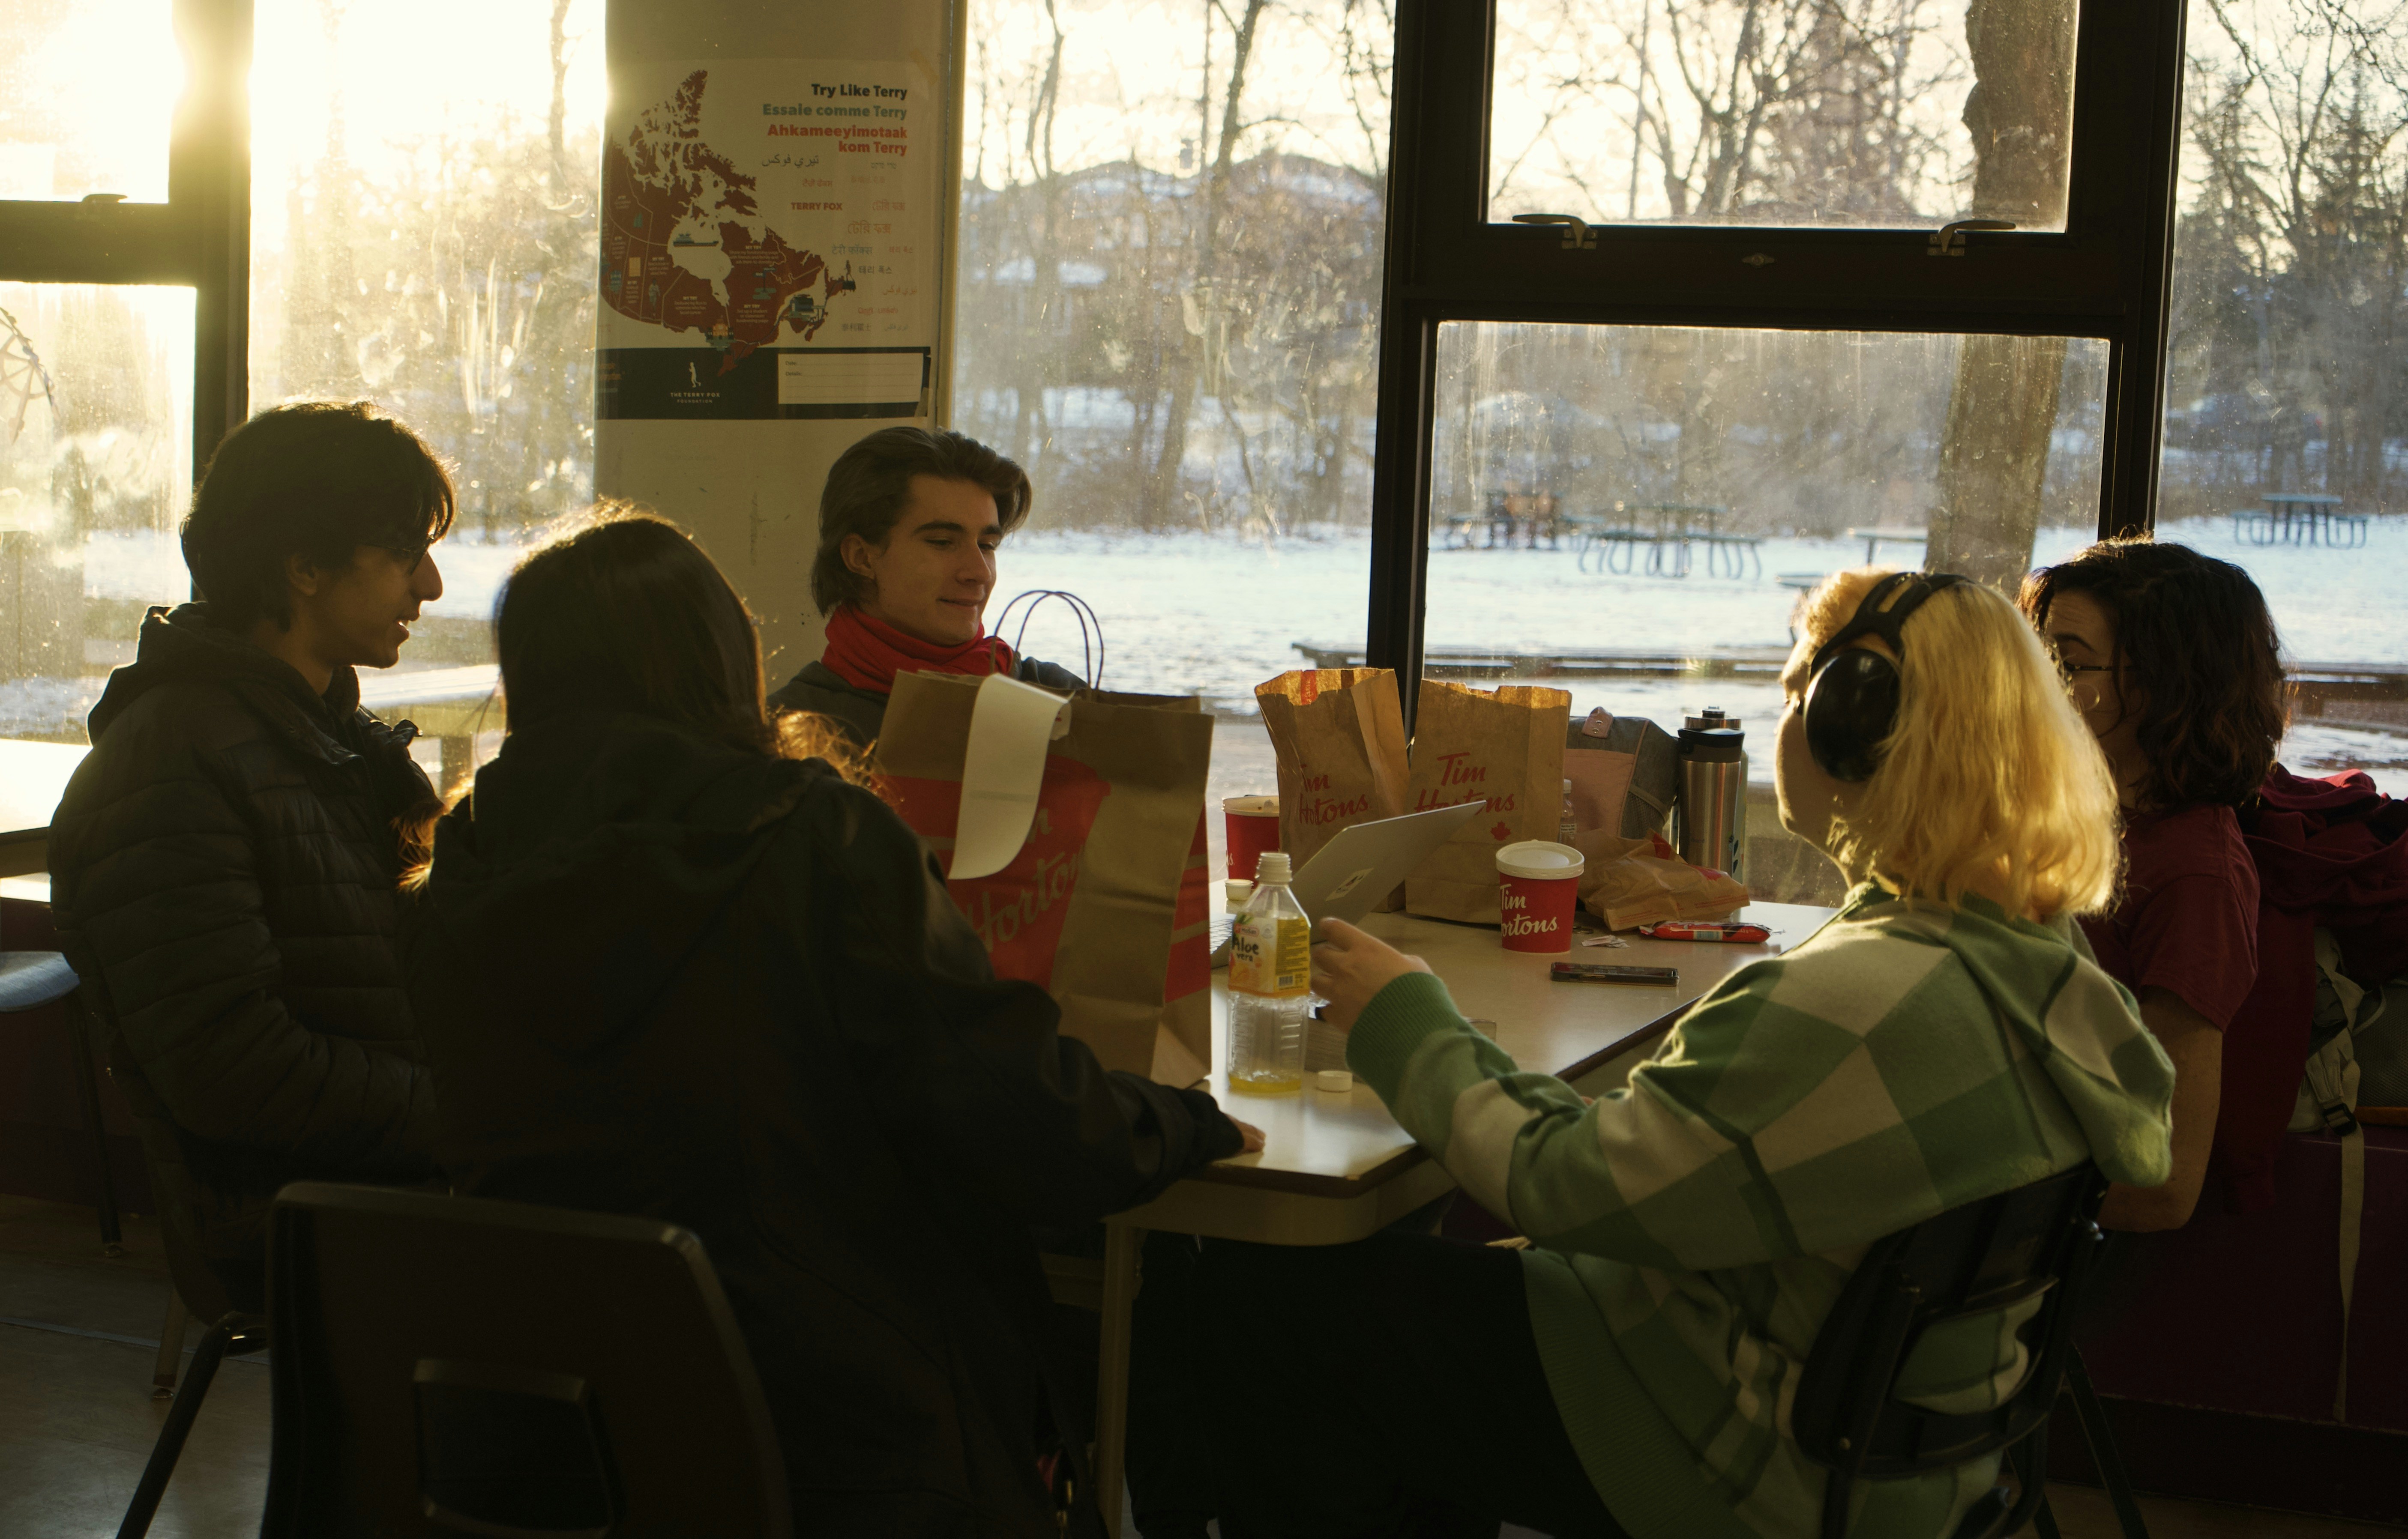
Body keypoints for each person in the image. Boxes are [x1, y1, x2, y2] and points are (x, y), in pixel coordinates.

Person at [1196, 569, 2175, 1539]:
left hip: (1738, 1447)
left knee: (1261, 1301)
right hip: (1902, 1461)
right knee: (1413, 1307)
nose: (1788, 716)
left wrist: (1401, 1016)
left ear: (1853, 725)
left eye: (1801, 690)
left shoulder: (1854, 1002)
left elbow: (1567, 1186)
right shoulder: (2045, 969)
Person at [404, 510, 1256, 1538]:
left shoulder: (454, 877)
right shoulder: (812, 840)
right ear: (722, 661)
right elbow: (1022, 1117)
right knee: (1170, 1346)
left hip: (542, 1424)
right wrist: (1176, 1122)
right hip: (824, 1419)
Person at [47, 400, 452, 1309]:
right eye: (401, 553)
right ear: (302, 566)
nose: (428, 585)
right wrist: (475, 1112)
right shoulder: (169, 761)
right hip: (304, 1212)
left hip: (397, 1175)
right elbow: (233, 1068)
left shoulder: (333, 737)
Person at [2020, 540, 2284, 1229]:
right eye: (2034, 656)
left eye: (2068, 664)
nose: (2034, 686)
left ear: (2164, 685)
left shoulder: (2192, 877)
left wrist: (1962, 1212)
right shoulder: (2072, 817)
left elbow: (2163, 1182)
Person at [768, 426, 1083, 746]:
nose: (979, 572)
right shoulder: (782, 733)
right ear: (862, 557)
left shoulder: (1063, 703)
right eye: (943, 542)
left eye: (987, 545)